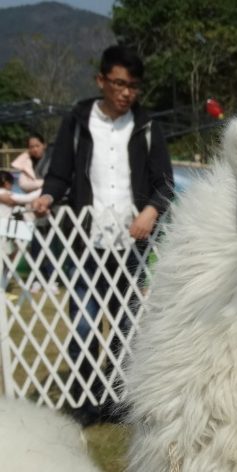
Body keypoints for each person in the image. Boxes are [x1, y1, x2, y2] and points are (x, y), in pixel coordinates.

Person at [31, 44, 174, 427]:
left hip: (132, 245)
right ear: (101, 81)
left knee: (124, 324)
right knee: (84, 323)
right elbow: (59, 174)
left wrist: (150, 211)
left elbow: (165, 184)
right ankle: (84, 401)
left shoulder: (146, 127)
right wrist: (47, 195)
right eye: (119, 84)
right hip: (85, 243)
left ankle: (118, 399)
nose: (126, 93)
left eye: (133, 86)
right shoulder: (78, 123)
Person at [12, 133, 59, 294]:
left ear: (44, 145)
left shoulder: (52, 161)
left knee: (51, 245)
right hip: (31, 211)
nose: (34, 150)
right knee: (36, 246)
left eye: (37, 146)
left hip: (50, 208)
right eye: (31, 147)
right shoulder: (26, 163)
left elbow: (50, 184)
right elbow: (24, 184)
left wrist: (40, 188)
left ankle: (52, 279)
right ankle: (38, 279)